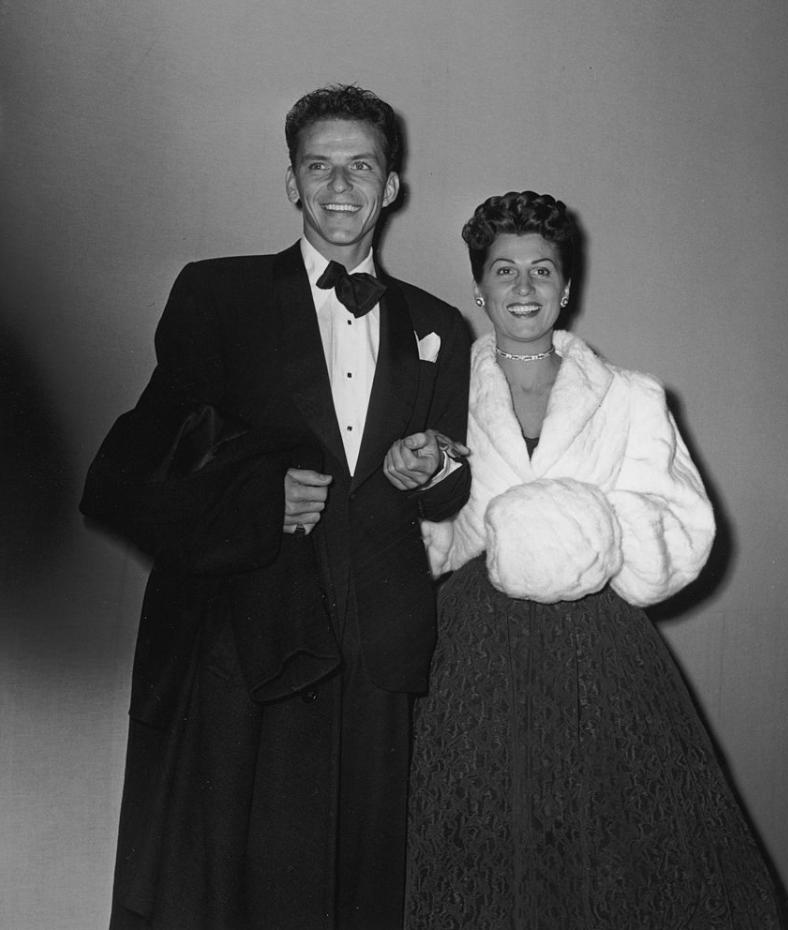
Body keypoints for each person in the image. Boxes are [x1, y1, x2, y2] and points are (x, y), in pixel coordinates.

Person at [80, 85, 471, 930]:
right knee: (232, 899)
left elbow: (451, 482)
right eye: (318, 166)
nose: (340, 187)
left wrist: (433, 467)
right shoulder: (217, 296)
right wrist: (256, 499)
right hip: (242, 646)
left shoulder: (442, 327)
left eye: (360, 166)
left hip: (373, 653)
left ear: (391, 186)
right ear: (291, 183)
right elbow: (120, 478)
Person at [405, 191, 784, 928]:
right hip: (471, 657)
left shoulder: (632, 399)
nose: (523, 289)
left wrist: (590, 526)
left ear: (567, 287)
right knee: (478, 851)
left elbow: (681, 527)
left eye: (542, 270)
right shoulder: (438, 397)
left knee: (616, 855)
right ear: (476, 287)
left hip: (600, 658)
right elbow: (430, 537)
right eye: (504, 271)